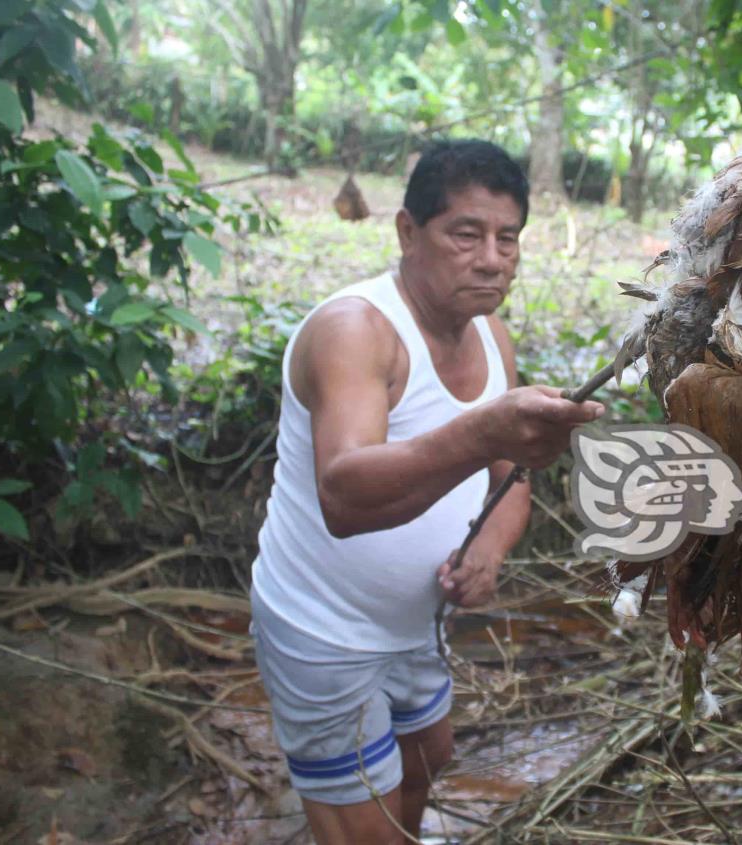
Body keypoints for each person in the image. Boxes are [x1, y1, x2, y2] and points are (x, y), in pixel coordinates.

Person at [249, 139, 604, 844]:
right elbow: (344, 497)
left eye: (508, 238)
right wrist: (480, 432)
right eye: (464, 233)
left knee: (425, 762)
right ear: (408, 232)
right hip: (325, 630)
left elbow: (511, 477)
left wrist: (491, 548)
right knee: (365, 825)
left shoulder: (491, 337)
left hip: (417, 624)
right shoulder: (356, 331)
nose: (491, 257)